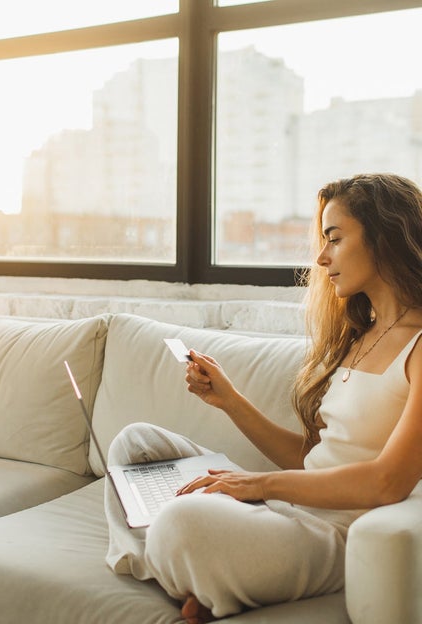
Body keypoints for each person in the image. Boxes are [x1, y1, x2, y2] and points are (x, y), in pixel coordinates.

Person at [104, 173, 422, 624]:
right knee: (133, 446)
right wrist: (229, 399)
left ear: (384, 238)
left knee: (181, 523)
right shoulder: (362, 336)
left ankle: (181, 563)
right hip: (288, 510)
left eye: (335, 239)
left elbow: (387, 482)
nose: (321, 256)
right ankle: (187, 571)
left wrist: (257, 484)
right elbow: (311, 460)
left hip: (335, 534)